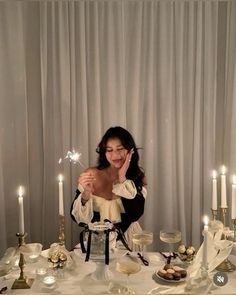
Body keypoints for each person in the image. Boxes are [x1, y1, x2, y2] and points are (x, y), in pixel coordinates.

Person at [70, 126, 147, 248]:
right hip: (97, 241)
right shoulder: (91, 174)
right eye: (109, 150)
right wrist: (85, 194)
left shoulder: (137, 177)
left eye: (120, 149)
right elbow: (79, 219)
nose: (115, 154)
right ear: (103, 152)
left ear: (130, 151)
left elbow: (135, 214)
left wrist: (122, 178)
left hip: (129, 240)